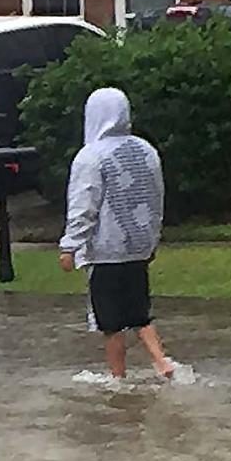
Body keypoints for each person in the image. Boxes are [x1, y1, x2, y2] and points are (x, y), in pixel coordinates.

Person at [58, 87, 174, 380]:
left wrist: (70, 246)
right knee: (139, 312)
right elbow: (156, 197)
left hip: (106, 249)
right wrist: (152, 239)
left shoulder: (91, 157)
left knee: (110, 321)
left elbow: (84, 204)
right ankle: (161, 361)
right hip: (138, 246)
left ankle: (117, 377)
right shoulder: (146, 151)